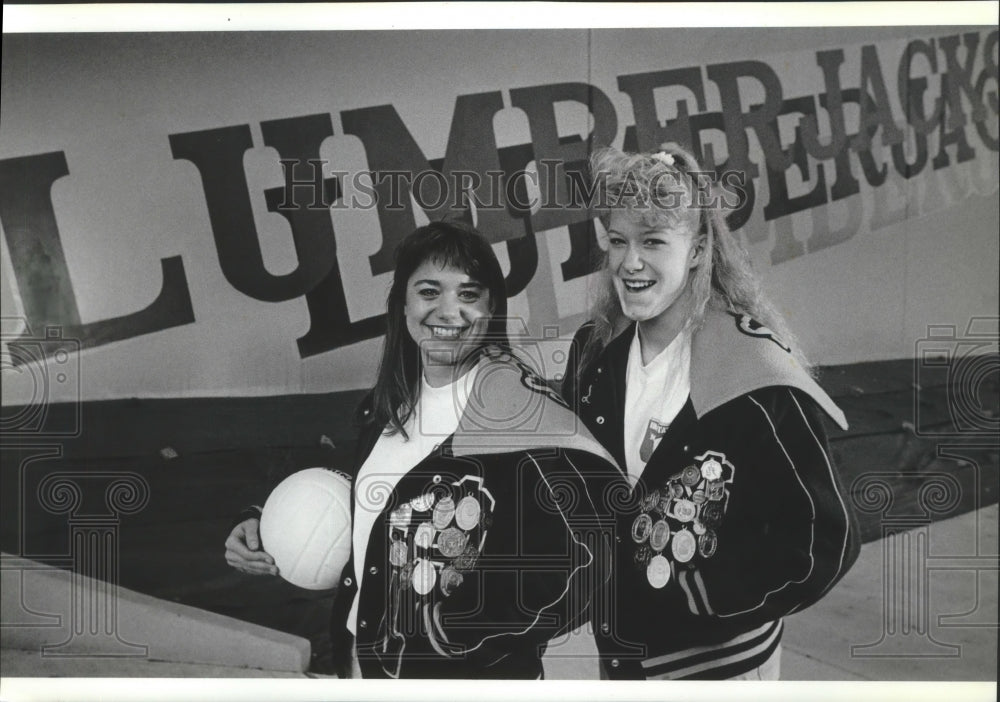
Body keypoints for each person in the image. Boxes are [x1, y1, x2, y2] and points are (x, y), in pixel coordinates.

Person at [226, 220, 621, 679]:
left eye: (469, 295)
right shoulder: (387, 409)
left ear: (493, 307)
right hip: (361, 665)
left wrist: (462, 632)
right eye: (429, 292)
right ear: (403, 304)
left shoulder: (522, 413)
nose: (448, 312)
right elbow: (381, 506)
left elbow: (594, 545)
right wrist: (265, 522)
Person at [561, 145, 861, 680]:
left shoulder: (754, 368)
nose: (630, 261)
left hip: (722, 666)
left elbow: (825, 537)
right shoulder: (594, 350)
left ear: (698, 248)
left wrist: (708, 595)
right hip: (620, 658)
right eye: (618, 241)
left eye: (654, 240)